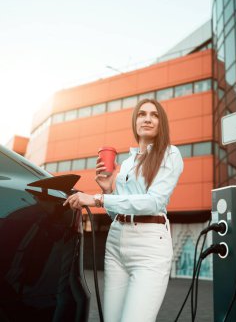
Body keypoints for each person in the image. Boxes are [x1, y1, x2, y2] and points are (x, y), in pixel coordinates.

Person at [63, 98, 184, 322]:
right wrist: (109, 189)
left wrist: (98, 198)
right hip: (117, 243)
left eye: (154, 115)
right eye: (142, 114)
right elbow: (116, 213)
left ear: (161, 123)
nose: (147, 118)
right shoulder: (127, 164)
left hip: (149, 247)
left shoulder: (170, 154)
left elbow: (153, 202)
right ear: (135, 121)